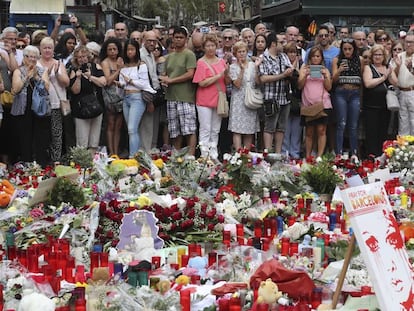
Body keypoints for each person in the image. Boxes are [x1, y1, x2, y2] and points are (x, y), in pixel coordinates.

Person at [159, 26, 197, 156]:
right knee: (175, 130)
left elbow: (190, 74)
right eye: (176, 37)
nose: (179, 40)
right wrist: (163, 79)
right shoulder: (169, 57)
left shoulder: (189, 54)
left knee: (189, 129)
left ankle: (191, 156)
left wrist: (171, 80)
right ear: (172, 39)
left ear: (186, 39)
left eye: (181, 37)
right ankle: (177, 157)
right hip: (171, 97)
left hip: (186, 97)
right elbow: (165, 74)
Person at [11, 45, 51, 166]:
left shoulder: (42, 70)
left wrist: (36, 77)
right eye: (30, 57)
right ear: (24, 58)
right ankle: (26, 161)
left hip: (38, 108)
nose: (32, 60)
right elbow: (16, 89)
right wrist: (27, 77)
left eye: (35, 57)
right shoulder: (18, 71)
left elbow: (47, 88)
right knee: (24, 135)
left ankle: (40, 162)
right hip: (23, 108)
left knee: (40, 136)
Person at [193, 33, 228, 160]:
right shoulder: (201, 62)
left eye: (213, 45)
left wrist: (228, 74)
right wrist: (219, 76)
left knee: (215, 129)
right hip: (204, 100)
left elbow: (227, 81)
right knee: (205, 128)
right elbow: (201, 83)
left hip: (218, 99)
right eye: (208, 45)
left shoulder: (222, 62)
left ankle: (214, 155)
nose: (210, 48)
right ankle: (204, 155)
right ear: (204, 47)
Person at [119, 39, 155, 158]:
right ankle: (137, 155)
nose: (130, 52)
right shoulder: (123, 66)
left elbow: (144, 84)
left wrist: (131, 81)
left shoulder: (141, 64)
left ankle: (132, 156)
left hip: (137, 98)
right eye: (128, 50)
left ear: (136, 50)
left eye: (132, 49)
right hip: (126, 97)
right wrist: (121, 84)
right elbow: (122, 82)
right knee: (131, 130)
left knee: (131, 128)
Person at [259, 32, 293, 153]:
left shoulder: (283, 56)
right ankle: (268, 153)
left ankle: (278, 154)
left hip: (285, 96)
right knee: (269, 127)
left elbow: (290, 69)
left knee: (281, 127)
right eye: (281, 42)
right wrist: (283, 75)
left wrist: (289, 72)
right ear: (274, 44)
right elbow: (263, 78)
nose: (284, 45)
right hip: (271, 97)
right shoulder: (264, 58)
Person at [68, 46, 106, 154]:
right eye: (79, 57)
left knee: (94, 141)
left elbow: (103, 82)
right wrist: (78, 78)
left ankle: (93, 162)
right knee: (82, 141)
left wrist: (90, 77)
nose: (82, 59)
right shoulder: (73, 70)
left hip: (96, 107)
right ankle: (82, 165)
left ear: (88, 57)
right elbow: (75, 91)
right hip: (81, 109)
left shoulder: (95, 67)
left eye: (84, 56)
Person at [37, 37, 70, 163]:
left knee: (57, 134)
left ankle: (56, 160)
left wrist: (56, 74)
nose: (47, 50)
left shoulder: (58, 63)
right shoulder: (36, 63)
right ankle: (42, 161)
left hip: (56, 105)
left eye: (49, 48)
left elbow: (66, 83)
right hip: (41, 106)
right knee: (43, 135)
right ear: (40, 49)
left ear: (53, 49)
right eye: (44, 48)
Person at [298, 46, 333, 158]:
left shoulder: (325, 69)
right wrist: (305, 75)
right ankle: (308, 156)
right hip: (308, 104)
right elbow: (299, 86)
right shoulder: (304, 68)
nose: (315, 58)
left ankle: (319, 156)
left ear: (321, 58)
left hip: (323, 103)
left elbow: (329, 87)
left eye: (318, 56)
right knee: (309, 132)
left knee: (321, 130)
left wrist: (327, 76)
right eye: (313, 56)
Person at [363, 44, 397, 156]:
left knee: (383, 133)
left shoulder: (388, 68)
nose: (378, 57)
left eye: (380, 54)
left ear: (384, 56)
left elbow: (395, 83)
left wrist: (391, 74)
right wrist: (383, 78)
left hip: (385, 107)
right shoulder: (368, 68)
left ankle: (382, 157)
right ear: (372, 56)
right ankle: (371, 157)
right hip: (371, 107)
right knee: (371, 134)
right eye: (376, 54)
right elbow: (368, 83)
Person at [332, 38, 363, 157]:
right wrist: (339, 70)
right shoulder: (337, 60)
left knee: (354, 125)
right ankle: (339, 153)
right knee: (341, 123)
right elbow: (334, 80)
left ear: (354, 49)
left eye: (350, 49)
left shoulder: (359, 60)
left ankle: (354, 153)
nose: (347, 51)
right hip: (341, 92)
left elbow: (362, 81)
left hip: (355, 92)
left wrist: (362, 98)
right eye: (345, 49)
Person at [228, 41, 260, 150]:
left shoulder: (252, 65)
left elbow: (257, 82)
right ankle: (238, 153)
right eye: (239, 52)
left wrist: (256, 68)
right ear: (235, 53)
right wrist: (241, 70)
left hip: (250, 98)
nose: (242, 54)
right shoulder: (232, 67)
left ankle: (247, 154)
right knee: (237, 129)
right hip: (238, 99)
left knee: (249, 129)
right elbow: (237, 84)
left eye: (244, 51)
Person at [100, 38, 124, 157]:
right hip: (110, 96)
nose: (113, 52)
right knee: (111, 124)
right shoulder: (105, 62)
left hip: (121, 95)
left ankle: (117, 151)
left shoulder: (121, 60)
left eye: (115, 49)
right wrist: (119, 69)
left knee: (118, 126)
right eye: (110, 49)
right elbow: (108, 81)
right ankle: (111, 152)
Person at [139, 30, 162, 152]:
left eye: (154, 41)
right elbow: (143, 81)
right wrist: (149, 101)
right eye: (149, 41)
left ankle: (151, 151)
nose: (152, 43)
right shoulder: (141, 55)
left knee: (153, 126)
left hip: (155, 94)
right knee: (146, 127)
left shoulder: (151, 54)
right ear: (143, 41)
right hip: (146, 97)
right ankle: (145, 153)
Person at [282, 42, 303, 159]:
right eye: (289, 52)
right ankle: (284, 152)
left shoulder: (302, 66)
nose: (292, 55)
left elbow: (299, 82)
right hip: (285, 99)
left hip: (298, 101)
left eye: (294, 52)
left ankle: (295, 152)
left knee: (296, 130)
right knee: (285, 129)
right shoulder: (281, 65)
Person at [392, 31, 414, 135]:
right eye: (407, 42)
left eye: (411, 42)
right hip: (401, 92)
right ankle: (404, 149)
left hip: (412, 91)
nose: (408, 44)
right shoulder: (399, 56)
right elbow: (392, 77)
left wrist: (411, 69)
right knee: (403, 123)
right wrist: (398, 66)